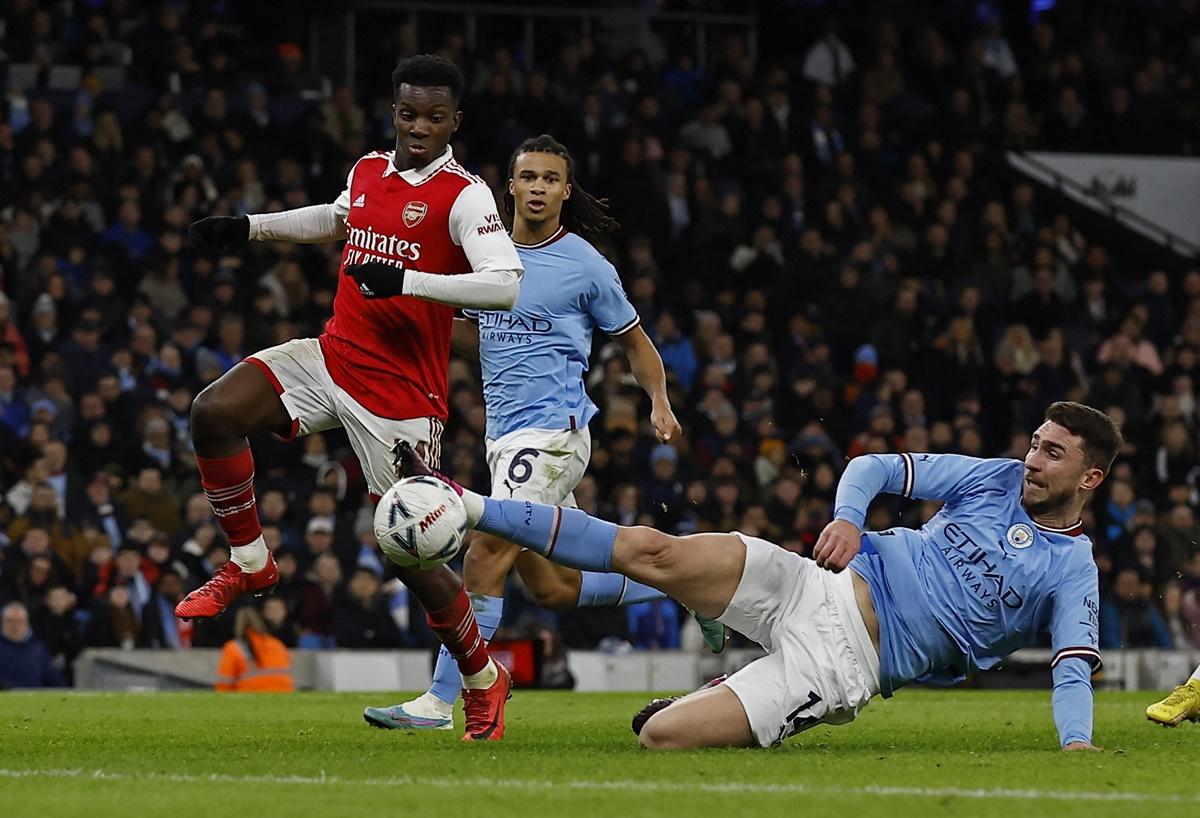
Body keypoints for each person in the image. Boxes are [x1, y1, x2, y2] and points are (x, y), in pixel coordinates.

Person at [393, 400, 1118, 751]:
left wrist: (1077, 748)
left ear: (1087, 476)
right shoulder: (992, 477)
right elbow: (870, 468)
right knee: (655, 551)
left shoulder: (1072, 570)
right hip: (814, 580)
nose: (1031, 459)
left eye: (1052, 454)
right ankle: (467, 501)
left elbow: (1071, 672)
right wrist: (847, 516)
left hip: (841, 664)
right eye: (1034, 442)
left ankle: (718, 684)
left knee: (660, 740)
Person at [177, 54, 522, 740]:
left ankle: (484, 678)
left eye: (433, 116)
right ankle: (250, 562)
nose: (418, 127)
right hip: (331, 356)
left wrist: (407, 282)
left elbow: (505, 284)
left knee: (411, 560)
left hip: (400, 398)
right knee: (212, 412)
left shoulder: (466, 195)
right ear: (393, 111)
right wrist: (250, 227)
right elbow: (337, 218)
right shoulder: (369, 170)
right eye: (407, 113)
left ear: (455, 121)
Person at [365, 134, 721, 731]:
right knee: (554, 586)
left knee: (484, 552)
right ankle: (688, 585)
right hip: (503, 439)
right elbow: (472, 331)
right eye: (528, 177)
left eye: (550, 179)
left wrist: (658, 398)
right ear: (509, 185)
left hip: (553, 435)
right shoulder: (485, 256)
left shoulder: (584, 263)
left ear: (564, 190)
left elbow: (633, 339)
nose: (538, 188)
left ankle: (440, 700)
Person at [214, 607, 294, 692]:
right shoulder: (276, 643)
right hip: (284, 692)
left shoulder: (234, 647)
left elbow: (224, 683)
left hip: (251, 692)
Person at [0, 601, 66, 688]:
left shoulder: (37, 649)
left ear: (27, 622)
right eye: (9, 621)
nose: (14, 625)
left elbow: (55, 680)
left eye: (19, 621)